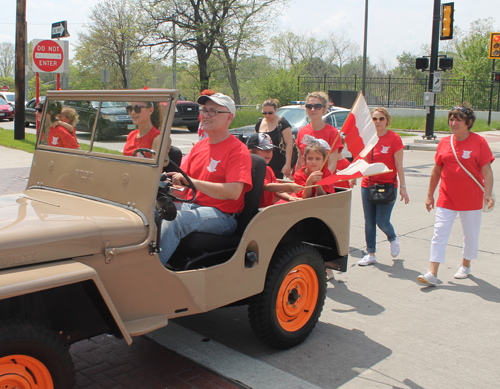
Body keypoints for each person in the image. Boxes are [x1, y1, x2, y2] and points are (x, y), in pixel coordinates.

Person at [158, 93, 253, 265]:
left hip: (222, 215)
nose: (206, 115)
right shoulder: (199, 147)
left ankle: (150, 274)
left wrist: (192, 182)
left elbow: (233, 192)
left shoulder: (238, 150)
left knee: (175, 221)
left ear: (229, 118)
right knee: (150, 213)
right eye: (204, 110)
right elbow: (184, 188)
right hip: (192, 205)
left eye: (213, 111)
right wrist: (164, 188)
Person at [418, 105, 495, 286]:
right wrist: (430, 195)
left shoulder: (479, 142)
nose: (453, 123)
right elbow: (436, 171)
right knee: (439, 233)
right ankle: (432, 273)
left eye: (458, 120)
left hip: (472, 198)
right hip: (447, 197)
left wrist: (488, 193)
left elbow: (487, 171)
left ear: (468, 123)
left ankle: (465, 265)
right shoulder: (445, 143)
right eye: (451, 119)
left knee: (470, 235)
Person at [357, 107, 409, 266]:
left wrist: (403, 187)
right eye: (374, 119)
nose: (378, 122)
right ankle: (370, 253)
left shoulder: (394, 138)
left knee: (382, 221)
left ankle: (392, 238)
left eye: (381, 118)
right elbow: (362, 162)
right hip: (368, 185)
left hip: (388, 185)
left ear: (387, 120)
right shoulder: (368, 139)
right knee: (369, 221)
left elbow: (399, 164)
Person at [246, 133, 303, 207]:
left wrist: (290, 198)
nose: (269, 153)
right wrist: (289, 187)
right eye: (265, 150)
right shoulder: (251, 169)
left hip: (266, 209)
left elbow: (277, 190)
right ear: (250, 152)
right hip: (253, 210)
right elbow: (266, 186)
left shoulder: (268, 169)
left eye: (271, 150)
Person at [295, 91, 343, 175]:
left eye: (317, 106)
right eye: (309, 106)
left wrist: (322, 182)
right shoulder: (302, 131)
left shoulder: (332, 132)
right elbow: (300, 159)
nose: (313, 109)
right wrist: (296, 180)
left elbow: (332, 164)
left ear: (324, 109)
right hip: (304, 180)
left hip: (322, 181)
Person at [255, 99, 294, 179]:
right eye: (264, 113)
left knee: (275, 186)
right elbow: (254, 143)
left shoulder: (282, 123)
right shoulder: (259, 123)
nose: (267, 115)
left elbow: (289, 144)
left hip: (277, 162)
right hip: (261, 162)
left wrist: (288, 164)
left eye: (270, 113)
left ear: (276, 111)